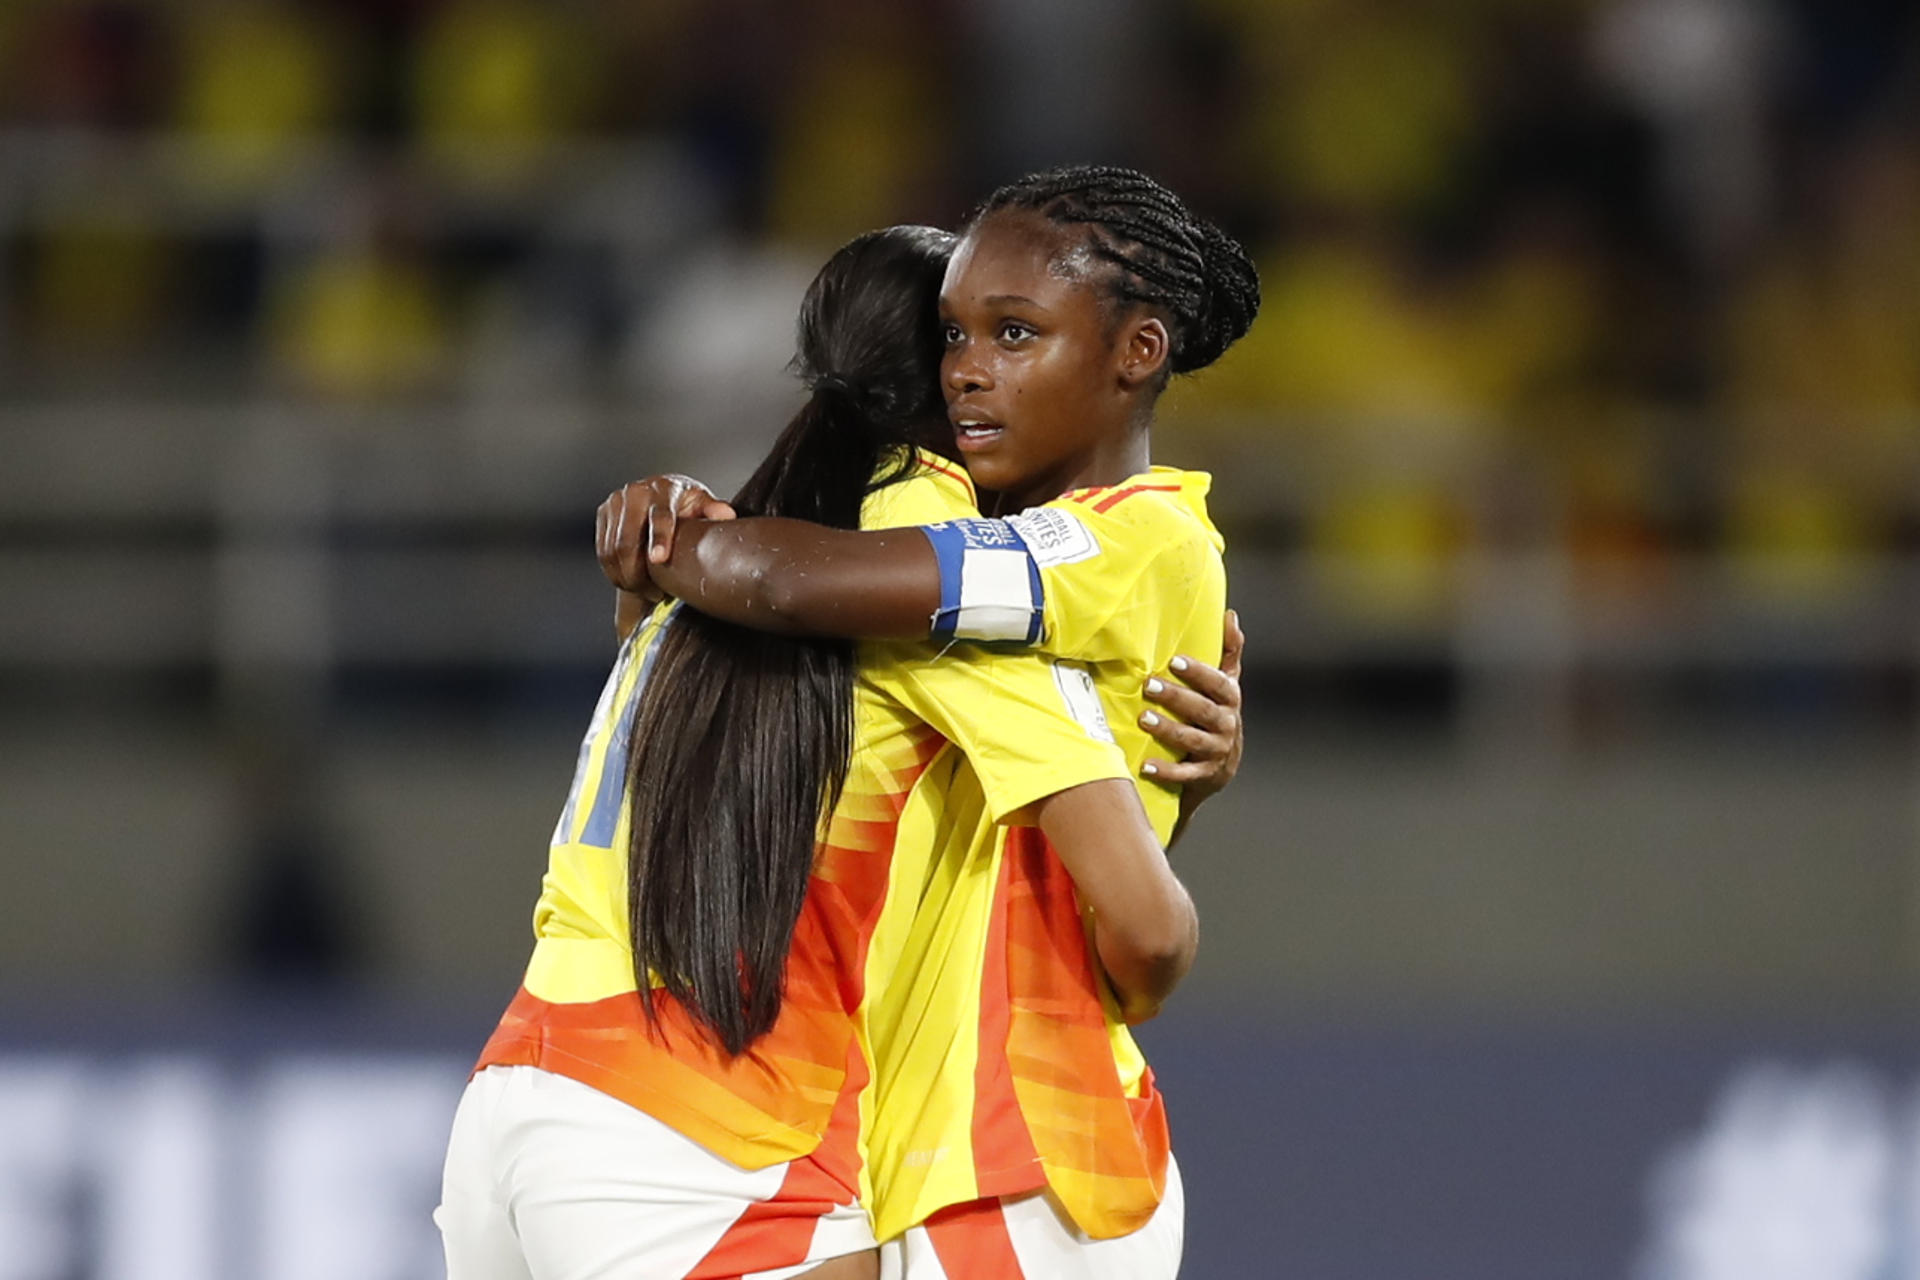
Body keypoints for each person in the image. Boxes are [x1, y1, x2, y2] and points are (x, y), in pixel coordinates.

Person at [437, 218, 1246, 1280]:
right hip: (704, 1135)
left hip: (513, 1100)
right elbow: (1142, 926)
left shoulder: (707, 563)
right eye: (973, 337)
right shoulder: (934, 606)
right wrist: (1159, 784)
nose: (985, 368)